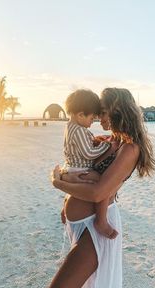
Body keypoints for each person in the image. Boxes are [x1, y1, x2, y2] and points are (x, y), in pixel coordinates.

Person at [47, 88, 155, 288]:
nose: (98, 116)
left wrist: (58, 183)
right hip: (79, 224)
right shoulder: (108, 140)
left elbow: (98, 193)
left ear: (118, 112)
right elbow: (78, 165)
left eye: (103, 112)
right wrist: (67, 198)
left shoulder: (130, 149)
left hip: (95, 229)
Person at [61, 89, 118, 239]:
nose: (92, 122)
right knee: (102, 183)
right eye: (92, 118)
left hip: (71, 167)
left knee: (79, 187)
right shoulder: (79, 130)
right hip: (79, 167)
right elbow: (88, 153)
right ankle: (101, 221)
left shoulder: (70, 127)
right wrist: (106, 146)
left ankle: (65, 204)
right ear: (80, 114)